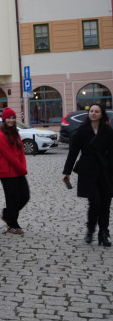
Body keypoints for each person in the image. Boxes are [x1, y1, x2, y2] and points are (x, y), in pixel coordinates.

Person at [62, 103, 113, 246]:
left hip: (105, 172)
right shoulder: (81, 131)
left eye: (97, 111)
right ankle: (91, 230)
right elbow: (73, 153)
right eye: (91, 111)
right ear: (88, 113)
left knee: (105, 204)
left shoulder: (108, 131)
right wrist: (66, 172)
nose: (93, 113)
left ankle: (104, 233)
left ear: (101, 114)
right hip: (88, 172)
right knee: (95, 203)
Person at [0, 107, 29, 235]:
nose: (11, 120)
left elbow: (21, 153)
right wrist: (21, 169)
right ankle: (12, 224)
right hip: (7, 173)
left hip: (18, 171)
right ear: (4, 119)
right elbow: (10, 157)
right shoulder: (0, 135)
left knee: (25, 196)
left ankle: (7, 214)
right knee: (12, 199)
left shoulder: (16, 133)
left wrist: (23, 167)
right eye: (8, 118)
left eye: (13, 118)